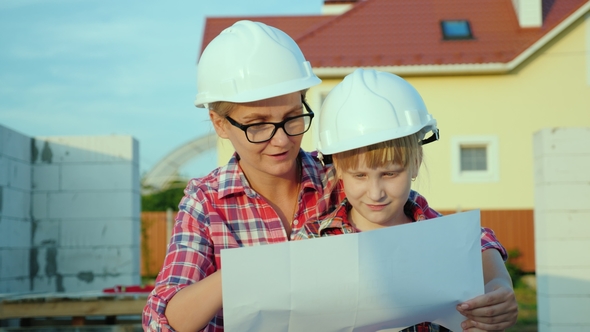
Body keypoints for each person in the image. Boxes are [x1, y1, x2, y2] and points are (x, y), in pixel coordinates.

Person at [142, 20, 343, 332]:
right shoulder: (206, 202)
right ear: (220, 124)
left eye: (292, 118)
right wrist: (243, 272)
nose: (281, 140)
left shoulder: (344, 181)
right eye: (258, 124)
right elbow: (161, 323)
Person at [293, 68, 518, 331]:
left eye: (390, 173)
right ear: (339, 170)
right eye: (360, 175)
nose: (376, 192)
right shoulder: (312, 241)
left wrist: (499, 284)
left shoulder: (441, 234)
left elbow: (477, 241)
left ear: (415, 163)